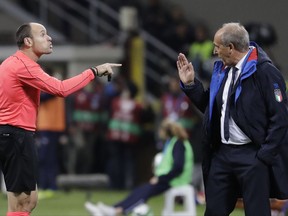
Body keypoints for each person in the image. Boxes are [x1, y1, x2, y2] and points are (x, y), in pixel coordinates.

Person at [0, 22, 121, 216]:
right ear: (28, 41)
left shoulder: (11, 63)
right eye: (42, 34)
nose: (49, 38)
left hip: (12, 134)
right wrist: (94, 71)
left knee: (24, 202)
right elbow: (61, 89)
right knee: (24, 203)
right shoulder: (24, 65)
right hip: (16, 135)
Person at [176, 22, 288, 216]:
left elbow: (280, 118)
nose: (214, 51)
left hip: (253, 156)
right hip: (223, 156)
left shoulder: (265, 72)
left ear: (230, 48)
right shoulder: (223, 70)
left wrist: (263, 156)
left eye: (217, 47)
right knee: (214, 212)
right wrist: (191, 84)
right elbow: (214, 110)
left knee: (257, 213)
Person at [84, 118, 194, 216]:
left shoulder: (178, 144)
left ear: (167, 131)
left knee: (145, 192)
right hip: (170, 179)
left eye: (161, 130)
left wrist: (160, 178)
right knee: (141, 189)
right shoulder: (173, 142)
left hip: (176, 181)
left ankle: (116, 211)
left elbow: (178, 167)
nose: (159, 133)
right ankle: (112, 209)